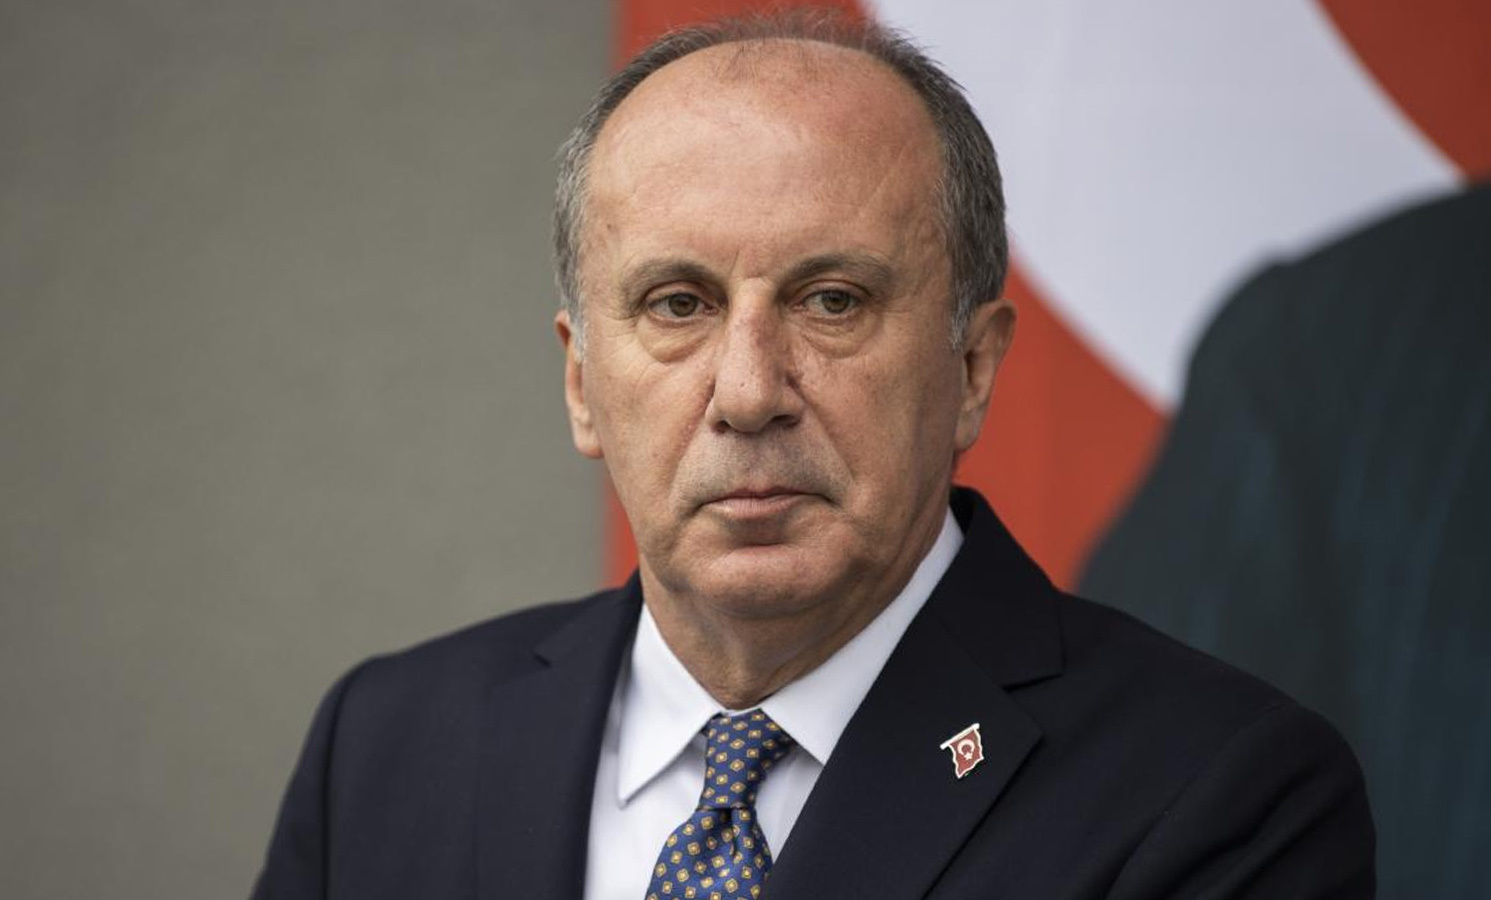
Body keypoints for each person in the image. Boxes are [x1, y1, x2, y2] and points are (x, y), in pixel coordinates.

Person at [252, 13, 1374, 900]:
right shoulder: (384, 749)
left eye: (832, 300)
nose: (748, 394)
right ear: (582, 383)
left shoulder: (1220, 793)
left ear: (971, 369)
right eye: (678, 303)